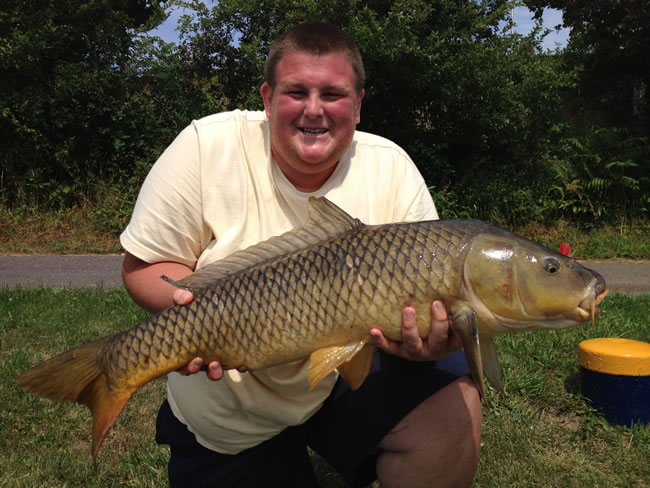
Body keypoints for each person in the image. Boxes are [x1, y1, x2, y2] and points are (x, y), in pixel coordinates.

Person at [121, 22, 481, 488]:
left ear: (358, 104)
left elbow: (433, 303)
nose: (314, 110)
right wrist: (199, 321)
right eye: (296, 92)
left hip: (342, 376)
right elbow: (143, 268)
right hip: (229, 401)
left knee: (453, 406)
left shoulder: (389, 166)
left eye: (333, 94)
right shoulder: (205, 146)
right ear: (268, 99)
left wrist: (438, 341)